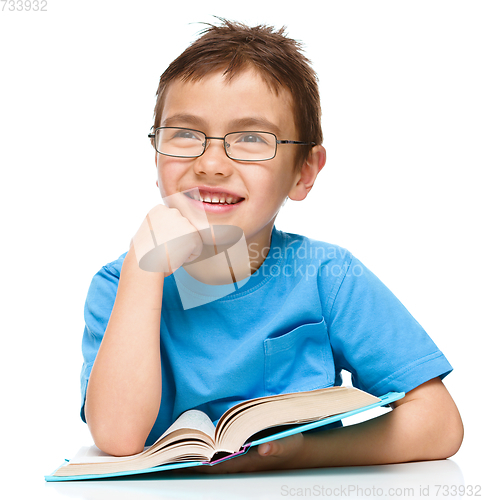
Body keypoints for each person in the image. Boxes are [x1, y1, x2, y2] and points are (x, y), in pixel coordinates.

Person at [80, 19, 463, 473]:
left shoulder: (328, 275)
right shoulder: (119, 283)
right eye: (184, 134)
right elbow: (118, 437)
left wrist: (307, 452)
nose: (211, 164)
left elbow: (439, 422)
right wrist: (143, 273)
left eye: (251, 139)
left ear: (304, 171)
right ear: (156, 153)